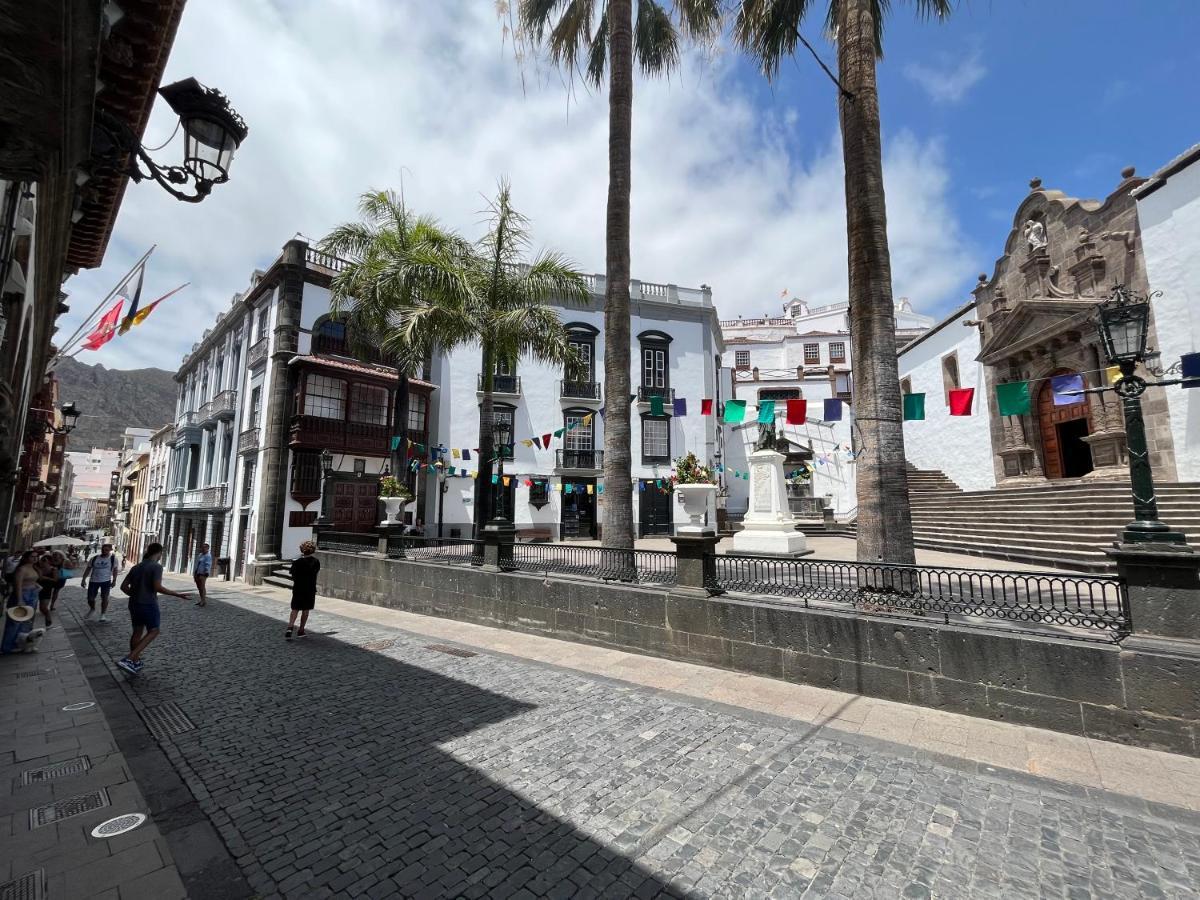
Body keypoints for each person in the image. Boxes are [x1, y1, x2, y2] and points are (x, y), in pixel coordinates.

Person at [116, 542, 191, 675]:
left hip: (134, 604)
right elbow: (157, 587)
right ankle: (129, 659)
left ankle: (134, 662)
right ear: (159, 553)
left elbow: (123, 587)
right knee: (154, 631)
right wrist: (177, 594)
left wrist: (135, 595)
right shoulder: (156, 567)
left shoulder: (136, 567)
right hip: (148, 604)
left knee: (137, 632)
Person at [1, 551, 42, 653]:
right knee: (15, 621)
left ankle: (23, 644)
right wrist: (20, 599)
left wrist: (37, 586)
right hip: (22, 594)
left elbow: (32, 580)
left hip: (33, 595)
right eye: (32, 557)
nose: (35, 559)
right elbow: (18, 584)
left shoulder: (33, 568)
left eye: (36, 557)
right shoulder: (21, 569)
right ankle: (7, 646)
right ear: (26, 558)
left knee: (27, 621)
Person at [285, 541, 320, 639]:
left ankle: (290, 627)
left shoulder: (297, 562)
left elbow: (293, 574)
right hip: (309, 588)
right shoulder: (316, 562)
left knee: (295, 609)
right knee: (305, 610)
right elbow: (315, 573)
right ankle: (301, 630)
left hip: (298, 588)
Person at [82, 543, 120, 622]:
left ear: (110, 550)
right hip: (93, 581)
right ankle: (92, 609)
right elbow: (88, 569)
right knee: (90, 598)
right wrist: (83, 579)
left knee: (105, 598)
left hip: (106, 581)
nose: (104, 551)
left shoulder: (113, 559)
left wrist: (114, 580)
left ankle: (103, 614)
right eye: (103, 549)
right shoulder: (94, 558)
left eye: (106, 550)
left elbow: (115, 570)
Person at [192, 542, 213, 607]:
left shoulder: (208, 556)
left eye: (204, 548)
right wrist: (194, 572)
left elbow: (208, 564)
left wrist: (206, 572)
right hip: (197, 573)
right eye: (202, 547)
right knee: (199, 587)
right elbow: (197, 563)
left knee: (202, 587)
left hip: (203, 574)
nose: (203, 549)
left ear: (207, 548)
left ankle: (203, 601)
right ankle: (201, 600)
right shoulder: (200, 555)